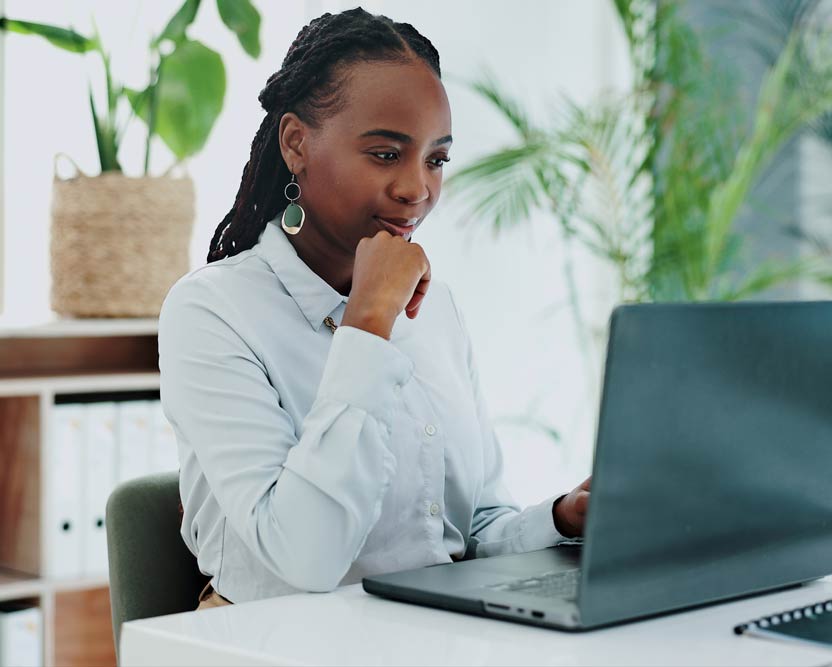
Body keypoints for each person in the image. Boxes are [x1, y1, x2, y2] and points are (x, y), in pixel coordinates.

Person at [157, 7, 591, 610]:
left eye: (436, 159)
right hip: (275, 643)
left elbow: (470, 535)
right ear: (296, 144)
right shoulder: (211, 312)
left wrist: (564, 519)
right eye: (387, 154)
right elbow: (304, 560)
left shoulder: (437, 309)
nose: (417, 189)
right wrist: (368, 323)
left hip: (428, 633)